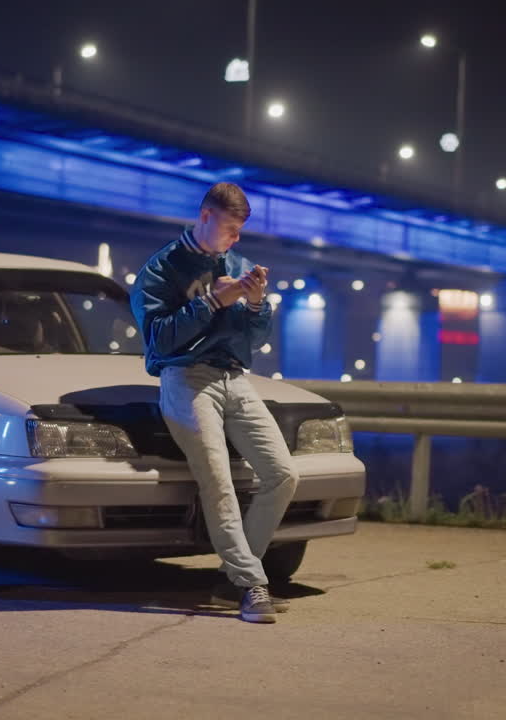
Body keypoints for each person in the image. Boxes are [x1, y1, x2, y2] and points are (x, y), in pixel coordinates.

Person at [130, 182, 299, 624]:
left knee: (282, 474)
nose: (236, 239)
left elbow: (253, 340)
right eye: (229, 227)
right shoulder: (160, 270)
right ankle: (251, 585)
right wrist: (212, 301)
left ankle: (233, 580)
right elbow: (158, 340)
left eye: (241, 230)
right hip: (185, 377)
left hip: (235, 377)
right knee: (218, 480)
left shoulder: (237, 264)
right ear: (204, 216)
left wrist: (257, 302)